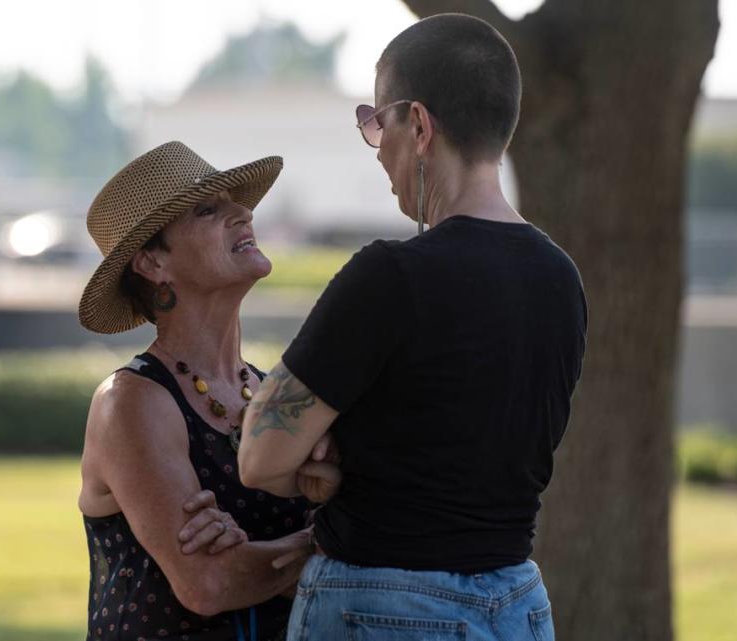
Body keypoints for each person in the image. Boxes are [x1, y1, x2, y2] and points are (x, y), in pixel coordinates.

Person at [238, 13, 588, 641]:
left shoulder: (391, 277)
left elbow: (261, 455)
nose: (377, 148)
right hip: (517, 606)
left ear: (420, 125)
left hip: (381, 605)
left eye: (378, 121)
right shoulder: (561, 279)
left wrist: (333, 461)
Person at [76, 141, 317, 641]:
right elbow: (208, 581)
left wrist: (258, 553)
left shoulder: (273, 392)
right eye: (209, 209)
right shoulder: (131, 402)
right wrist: (321, 545)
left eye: (237, 202)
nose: (243, 212)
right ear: (151, 263)